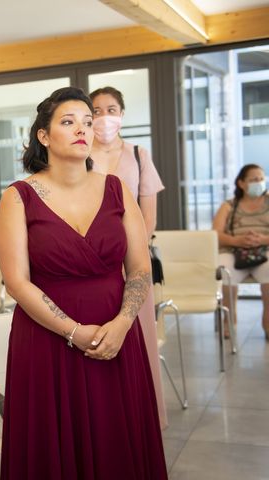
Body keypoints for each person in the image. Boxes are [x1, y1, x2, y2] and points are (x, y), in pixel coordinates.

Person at [0, 86, 166, 479]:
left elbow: (139, 269)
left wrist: (122, 325)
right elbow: (17, 282)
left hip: (116, 334)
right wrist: (73, 331)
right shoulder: (18, 198)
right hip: (47, 340)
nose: (82, 130)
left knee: (116, 440)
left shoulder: (116, 188)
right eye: (68, 122)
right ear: (43, 135)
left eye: (87, 123)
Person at [89, 85, 168, 429]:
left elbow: (147, 214)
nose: (104, 116)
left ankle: (140, 414)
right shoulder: (80, 152)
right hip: (92, 259)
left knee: (136, 332)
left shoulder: (138, 153)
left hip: (132, 260)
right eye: (96, 110)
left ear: (121, 115)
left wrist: (130, 253)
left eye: (111, 109)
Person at [213, 164, 269, 341]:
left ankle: (268, 320)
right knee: (225, 269)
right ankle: (230, 319)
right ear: (241, 183)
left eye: (261, 178)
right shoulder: (228, 206)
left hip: (265, 251)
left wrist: (262, 239)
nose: (259, 182)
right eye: (253, 179)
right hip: (233, 251)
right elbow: (216, 234)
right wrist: (237, 241)